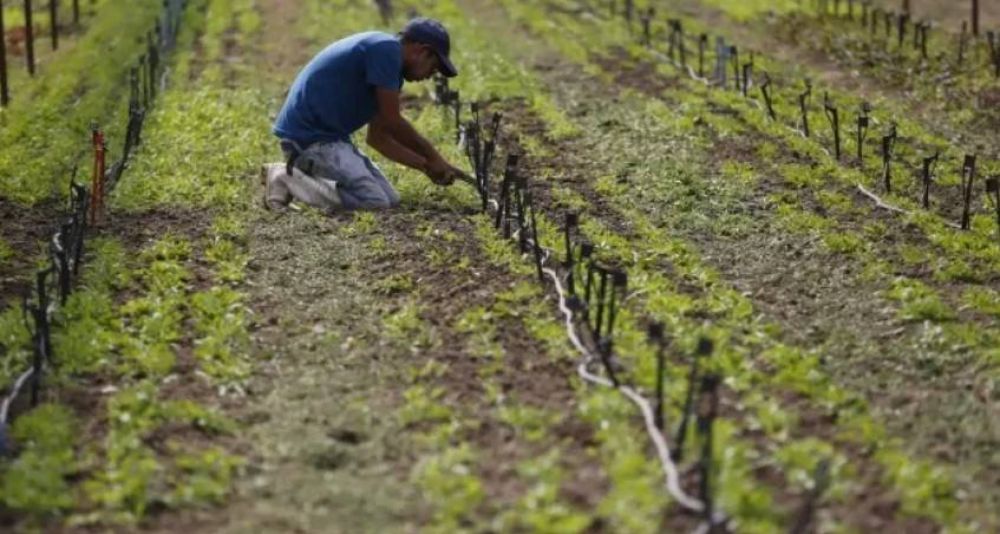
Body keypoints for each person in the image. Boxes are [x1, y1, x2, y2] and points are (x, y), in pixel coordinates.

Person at [262, 17, 469, 213]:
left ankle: (299, 181)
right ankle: (285, 178)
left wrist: (426, 166)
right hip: (309, 139)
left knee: (390, 200)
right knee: (374, 201)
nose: (431, 75)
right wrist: (433, 156)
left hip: (331, 140)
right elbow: (393, 121)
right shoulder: (386, 51)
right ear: (422, 51)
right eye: (434, 67)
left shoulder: (389, 68)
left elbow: (378, 139)